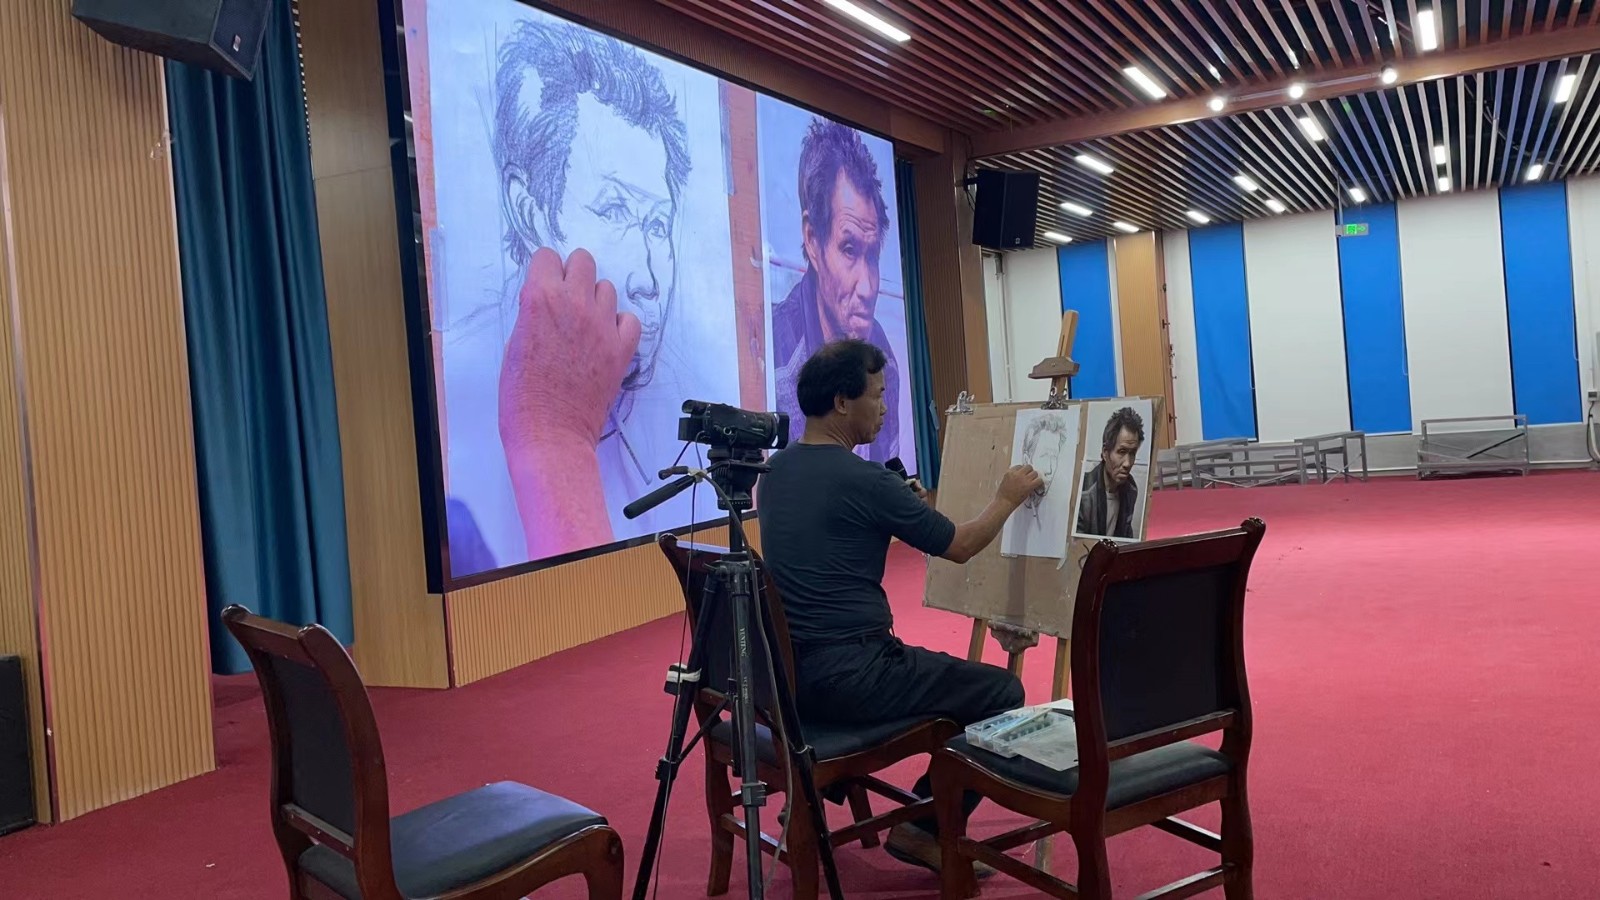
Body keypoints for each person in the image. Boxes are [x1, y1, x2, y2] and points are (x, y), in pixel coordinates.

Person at [756, 338, 1043, 873]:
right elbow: (959, 545)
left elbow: (832, 538)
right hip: (853, 675)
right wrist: (1007, 496)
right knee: (1001, 692)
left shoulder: (774, 474)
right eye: (878, 394)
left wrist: (893, 509)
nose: (885, 408)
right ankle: (922, 827)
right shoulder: (867, 480)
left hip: (786, 679)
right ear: (842, 402)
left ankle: (816, 796)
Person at [489, 18, 692, 561]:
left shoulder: (678, 421)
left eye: (657, 226)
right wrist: (550, 427)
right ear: (530, 211)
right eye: (615, 209)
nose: (650, 280)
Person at [771, 118, 901, 463]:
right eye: (849, 249)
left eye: (872, 255)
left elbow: (884, 474)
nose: (868, 287)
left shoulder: (882, 358)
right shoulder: (776, 357)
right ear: (812, 239)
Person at [1075, 406, 1145, 539]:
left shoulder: (1131, 489)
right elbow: (1077, 545)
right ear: (1105, 452)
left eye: (1132, 453)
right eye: (1122, 452)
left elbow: (1126, 536)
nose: (1127, 463)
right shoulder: (1083, 493)